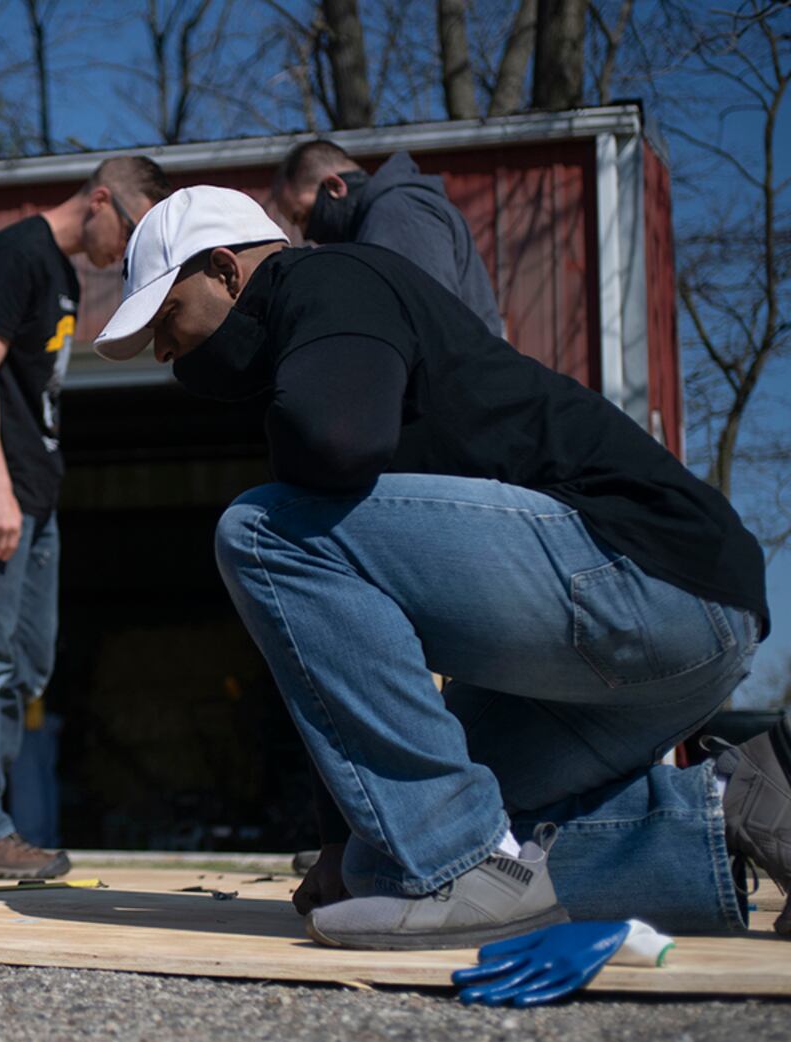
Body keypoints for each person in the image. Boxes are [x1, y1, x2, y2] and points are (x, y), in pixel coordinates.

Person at [91, 185, 780, 949]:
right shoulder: (326, 325)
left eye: (165, 318)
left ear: (224, 269)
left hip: (643, 571)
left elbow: (336, 441)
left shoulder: (330, 280)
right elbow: (338, 646)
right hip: (679, 628)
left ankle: (460, 864)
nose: (161, 350)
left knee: (259, 529)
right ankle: (731, 808)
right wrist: (342, 838)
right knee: (409, 847)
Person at [0, 156, 171, 879]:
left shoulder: (61, 274)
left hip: (38, 494)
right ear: (102, 199)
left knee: (27, 661)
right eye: (129, 235)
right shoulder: (15, 255)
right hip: (0, 495)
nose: (124, 255)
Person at [271, 139, 504, 336]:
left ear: (334, 186)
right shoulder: (381, 220)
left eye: (302, 216)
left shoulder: (397, 215)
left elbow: (428, 325)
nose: (306, 233)